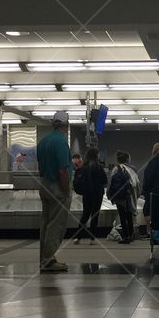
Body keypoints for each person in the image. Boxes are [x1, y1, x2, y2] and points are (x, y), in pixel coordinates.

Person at [36, 111, 73, 272]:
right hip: (58, 186)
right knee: (56, 225)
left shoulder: (43, 141)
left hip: (44, 184)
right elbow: (63, 170)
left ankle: (44, 258)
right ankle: (48, 260)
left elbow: (40, 167)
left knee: (46, 223)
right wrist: (66, 191)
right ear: (66, 125)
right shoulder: (61, 142)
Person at [72, 147, 106, 245]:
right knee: (95, 215)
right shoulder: (98, 167)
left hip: (87, 194)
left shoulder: (84, 166)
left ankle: (78, 237)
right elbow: (104, 180)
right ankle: (92, 238)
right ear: (96, 155)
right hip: (97, 194)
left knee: (85, 214)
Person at [107, 151, 136, 244]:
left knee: (122, 216)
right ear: (127, 159)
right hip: (129, 195)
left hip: (119, 196)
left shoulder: (116, 169)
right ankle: (131, 235)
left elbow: (110, 183)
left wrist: (109, 195)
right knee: (129, 214)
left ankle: (125, 236)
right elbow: (136, 183)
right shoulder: (131, 169)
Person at [142, 142, 159, 220]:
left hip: (152, 191)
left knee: (147, 211)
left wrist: (144, 189)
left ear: (154, 150)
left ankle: (149, 230)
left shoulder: (153, 161)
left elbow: (148, 177)